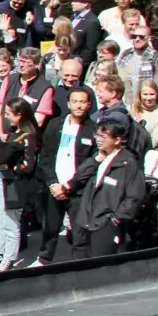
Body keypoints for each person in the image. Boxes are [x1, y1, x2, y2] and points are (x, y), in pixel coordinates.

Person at [34, 84, 99, 266]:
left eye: (83, 102)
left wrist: (71, 185)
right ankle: (44, 259)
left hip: (78, 190)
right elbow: (45, 156)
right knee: (50, 227)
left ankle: (79, 266)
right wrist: (53, 183)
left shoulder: (94, 130)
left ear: (88, 105)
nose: (78, 105)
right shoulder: (55, 125)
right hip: (55, 187)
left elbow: (92, 163)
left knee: (79, 231)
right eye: (75, 101)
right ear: (68, 104)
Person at [64, 120, 146, 259]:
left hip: (105, 223)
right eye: (97, 136)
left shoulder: (128, 163)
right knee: (79, 262)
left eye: (104, 137)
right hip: (84, 219)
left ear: (117, 140)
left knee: (100, 263)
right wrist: (96, 160)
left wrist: (116, 219)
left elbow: (134, 196)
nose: (98, 140)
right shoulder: (99, 156)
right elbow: (79, 178)